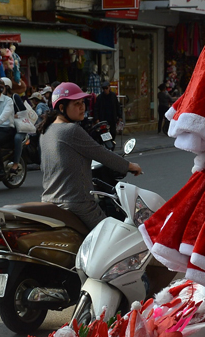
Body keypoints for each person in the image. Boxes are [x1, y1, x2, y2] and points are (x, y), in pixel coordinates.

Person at [40, 82, 141, 231]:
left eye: (83, 103)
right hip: (77, 203)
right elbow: (101, 153)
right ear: (62, 108)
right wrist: (130, 166)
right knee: (111, 236)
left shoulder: (47, 131)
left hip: (50, 200)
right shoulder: (71, 130)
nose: (82, 107)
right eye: (76, 104)